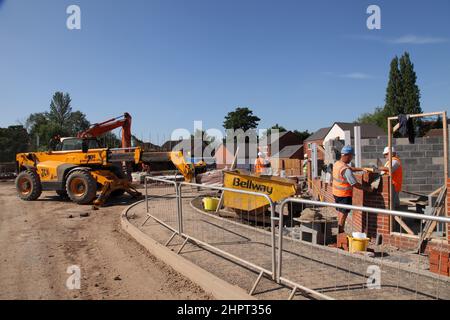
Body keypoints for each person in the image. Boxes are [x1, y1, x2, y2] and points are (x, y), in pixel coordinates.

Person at [332, 145, 373, 234]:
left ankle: (339, 230)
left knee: (340, 212)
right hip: (344, 195)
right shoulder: (345, 169)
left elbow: (350, 169)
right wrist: (367, 188)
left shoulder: (337, 164)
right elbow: (354, 183)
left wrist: (361, 169)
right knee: (343, 214)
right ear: (347, 155)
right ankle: (340, 232)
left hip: (336, 193)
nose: (351, 159)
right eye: (351, 156)